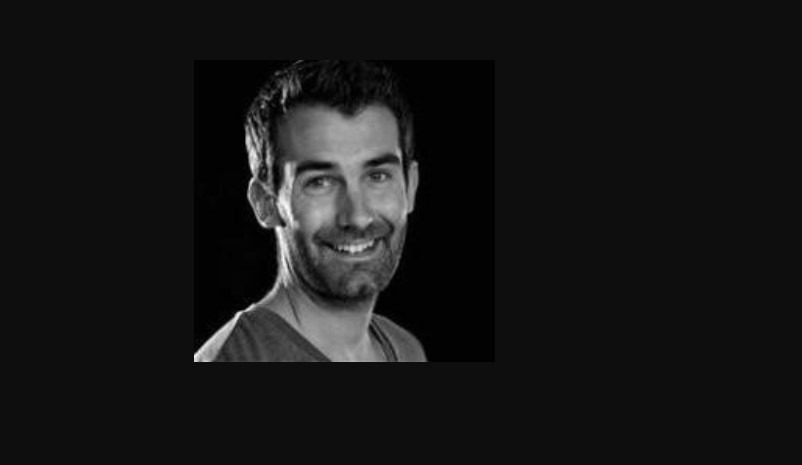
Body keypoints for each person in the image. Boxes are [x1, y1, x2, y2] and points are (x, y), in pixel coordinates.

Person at [194, 60, 426, 362]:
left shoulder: (406, 350)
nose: (357, 217)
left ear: (410, 187)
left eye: (378, 176)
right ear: (265, 203)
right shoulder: (233, 359)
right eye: (320, 182)